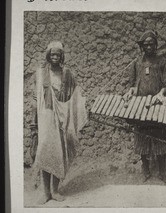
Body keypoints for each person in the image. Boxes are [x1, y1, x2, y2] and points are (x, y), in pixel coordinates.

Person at [30, 41, 88, 204]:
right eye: (52, 54)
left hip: (62, 117)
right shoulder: (41, 73)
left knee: (58, 153)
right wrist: (34, 120)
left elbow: (75, 92)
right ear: (48, 56)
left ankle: (55, 191)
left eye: (58, 55)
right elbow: (36, 97)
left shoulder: (67, 73)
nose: (55, 57)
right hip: (46, 117)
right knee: (45, 152)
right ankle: (45, 192)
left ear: (61, 56)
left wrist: (81, 102)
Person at [123, 30, 166, 184]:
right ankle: (146, 170)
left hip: (157, 104)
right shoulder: (137, 62)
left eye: (151, 44)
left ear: (156, 45)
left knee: (160, 138)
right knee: (142, 138)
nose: (149, 47)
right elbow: (133, 84)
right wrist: (130, 92)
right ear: (142, 47)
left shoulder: (162, 61)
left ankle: (162, 172)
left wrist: (161, 94)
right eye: (146, 45)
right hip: (141, 105)